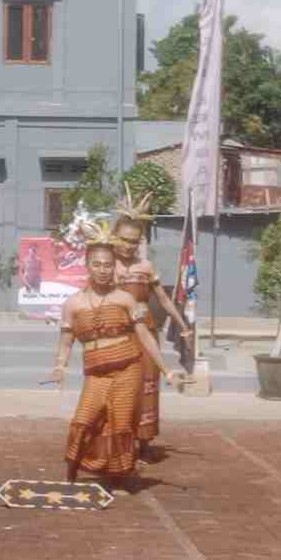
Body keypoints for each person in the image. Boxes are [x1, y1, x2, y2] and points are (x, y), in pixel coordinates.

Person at [50, 219, 190, 493]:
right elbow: (66, 340)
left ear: (113, 268)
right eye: (97, 265)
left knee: (122, 423)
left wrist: (167, 370)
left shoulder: (125, 300)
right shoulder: (73, 304)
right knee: (83, 420)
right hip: (97, 372)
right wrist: (60, 365)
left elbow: (146, 337)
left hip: (128, 369)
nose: (102, 270)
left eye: (107, 265)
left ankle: (120, 476)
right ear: (87, 266)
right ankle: (75, 469)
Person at [111, 187, 195, 456]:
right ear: (115, 236)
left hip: (145, 330)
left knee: (147, 383)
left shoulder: (146, 267)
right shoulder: (104, 265)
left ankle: (143, 441)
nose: (128, 245)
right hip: (115, 331)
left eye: (134, 241)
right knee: (118, 385)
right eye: (124, 239)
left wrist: (183, 325)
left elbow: (165, 300)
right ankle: (115, 439)